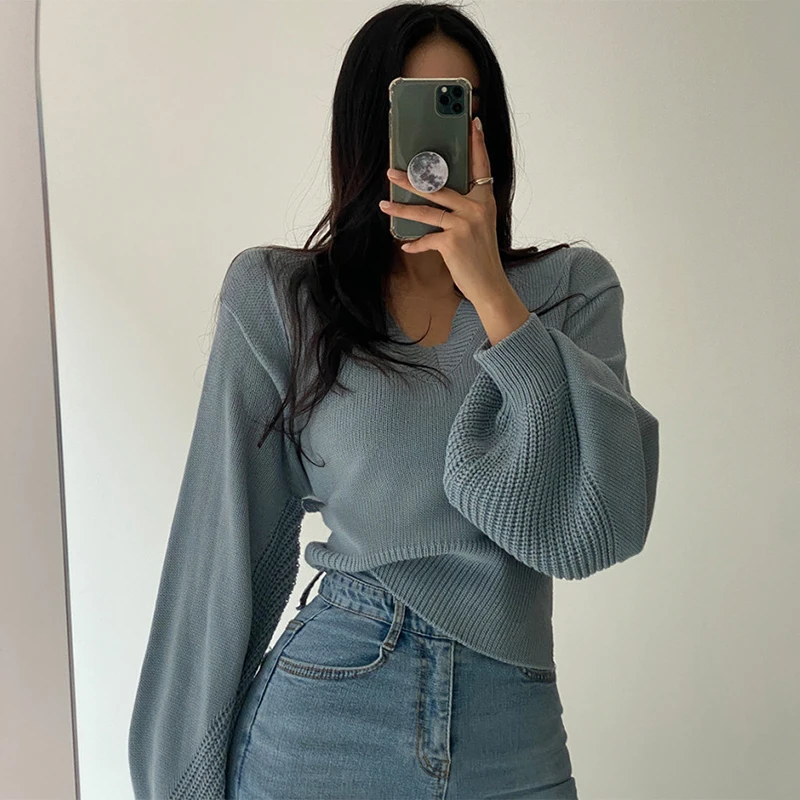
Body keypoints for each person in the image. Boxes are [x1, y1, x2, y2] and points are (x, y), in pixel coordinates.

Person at [128, 3, 660, 799]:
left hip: (510, 733)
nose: (435, 150)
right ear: (366, 130)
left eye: (460, 107)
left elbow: (593, 531)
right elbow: (220, 553)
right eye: (413, 110)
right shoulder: (282, 299)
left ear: (488, 133)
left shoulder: (571, 294)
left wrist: (496, 300)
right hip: (326, 715)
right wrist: (180, 782)